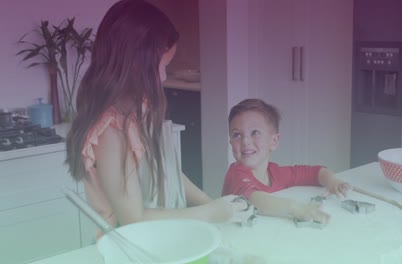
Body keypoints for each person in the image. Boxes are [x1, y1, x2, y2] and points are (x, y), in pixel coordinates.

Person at [65, 0, 252, 234]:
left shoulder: (137, 110)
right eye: (160, 66)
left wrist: (210, 202)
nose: (163, 77)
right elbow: (134, 220)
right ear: (132, 63)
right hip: (130, 249)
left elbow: (166, 170)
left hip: (162, 235)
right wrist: (210, 213)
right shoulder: (110, 131)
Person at [222, 99, 352, 223]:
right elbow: (252, 199)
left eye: (254, 132)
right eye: (237, 135)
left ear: (274, 141)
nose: (245, 141)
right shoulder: (237, 173)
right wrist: (296, 208)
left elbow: (315, 173)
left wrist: (333, 181)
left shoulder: (276, 173)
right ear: (231, 143)